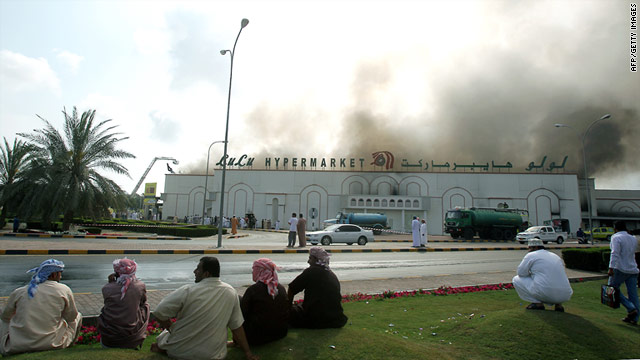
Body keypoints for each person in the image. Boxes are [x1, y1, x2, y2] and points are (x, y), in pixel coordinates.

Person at [151, 257, 258, 360]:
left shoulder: (188, 290)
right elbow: (236, 327)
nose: (194, 271)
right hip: (213, 354)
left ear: (207, 274)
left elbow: (159, 312)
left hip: (179, 352)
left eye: (198, 269)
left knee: (164, 336)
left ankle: (163, 348)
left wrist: (170, 327)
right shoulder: (230, 292)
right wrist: (248, 353)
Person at [0, 259, 82, 356]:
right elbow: (71, 317)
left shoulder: (20, 291)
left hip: (18, 345)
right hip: (52, 343)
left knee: (4, 320)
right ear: (54, 275)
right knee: (77, 316)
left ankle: (6, 346)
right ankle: (70, 345)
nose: (61, 276)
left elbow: (5, 316)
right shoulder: (63, 289)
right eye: (60, 273)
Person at [288, 247, 348, 328]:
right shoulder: (330, 273)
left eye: (310, 258)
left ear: (316, 259)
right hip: (335, 319)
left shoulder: (311, 271)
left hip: (315, 319)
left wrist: (287, 309)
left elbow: (292, 289)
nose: (308, 261)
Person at [97, 258, 150, 349]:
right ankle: (139, 336)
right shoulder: (139, 286)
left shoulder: (107, 288)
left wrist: (111, 282)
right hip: (132, 335)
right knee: (145, 306)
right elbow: (142, 302)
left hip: (109, 338)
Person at [512, 238, 573, 311]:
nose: (528, 250)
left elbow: (521, 273)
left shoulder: (531, 255)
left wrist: (531, 274)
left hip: (546, 293)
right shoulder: (555, 255)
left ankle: (537, 304)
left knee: (516, 279)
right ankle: (558, 305)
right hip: (565, 295)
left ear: (535, 247)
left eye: (529, 248)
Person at [238, 258, 289, 345]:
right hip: (280, 333)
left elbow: (243, 314)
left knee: (238, 300)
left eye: (254, 270)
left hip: (257, 336)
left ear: (260, 271)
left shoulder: (253, 290)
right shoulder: (280, 288)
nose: (252, 272)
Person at [608, 221, 639, 325]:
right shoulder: (633, 238)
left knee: (612, 288)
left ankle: (630, 308)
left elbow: (614, 253)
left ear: (615, 228)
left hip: (620, 268)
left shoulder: (616, 237)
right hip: (632, 268)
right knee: (633, 294)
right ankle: (635, 318)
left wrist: (611, 268)